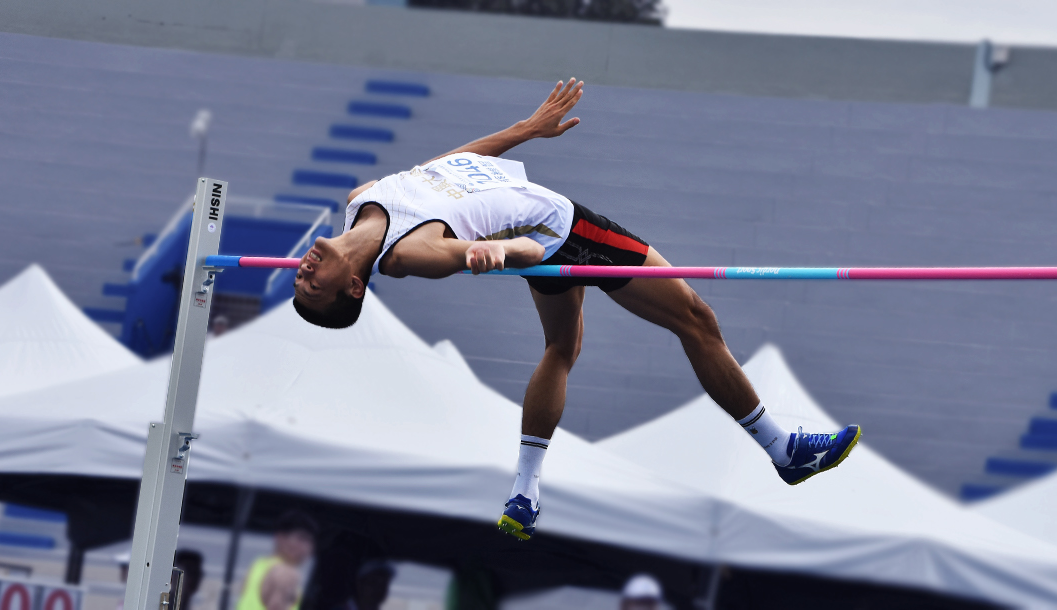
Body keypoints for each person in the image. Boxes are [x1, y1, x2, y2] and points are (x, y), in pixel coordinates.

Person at [292, 79, 861, 541]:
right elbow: (525, 252)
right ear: (354, 291)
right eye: (313, 290)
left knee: (561, 349)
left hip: (546, 236)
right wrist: (500, 251)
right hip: (568, 232)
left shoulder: (359, 201)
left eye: (301, 281)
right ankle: (782, 451)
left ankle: (524, 490)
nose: (304, 274)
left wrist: (525, 131)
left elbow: (438, 172)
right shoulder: (410, 253)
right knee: (697, 319)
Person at [237, 510, 318, 610]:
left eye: (310, 542)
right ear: (280, 538)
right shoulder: (287, 573)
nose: (306, 548)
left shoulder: (259, 564)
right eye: (301, 539)